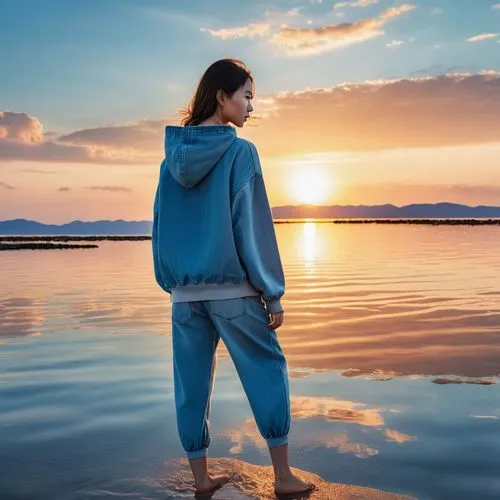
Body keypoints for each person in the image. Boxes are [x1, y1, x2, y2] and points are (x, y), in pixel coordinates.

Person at [152, 58, 316, 498]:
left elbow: (160, 227)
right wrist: (272, 292)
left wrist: (173, 286)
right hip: (233, 292)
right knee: (267, 369)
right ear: (222, 96)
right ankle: (283, 477)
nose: (250, 107)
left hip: (184, 297)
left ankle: (201, 480)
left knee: (190, 386)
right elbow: (252, 226)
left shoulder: (170, 161)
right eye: (246, 96)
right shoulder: (240, 151)